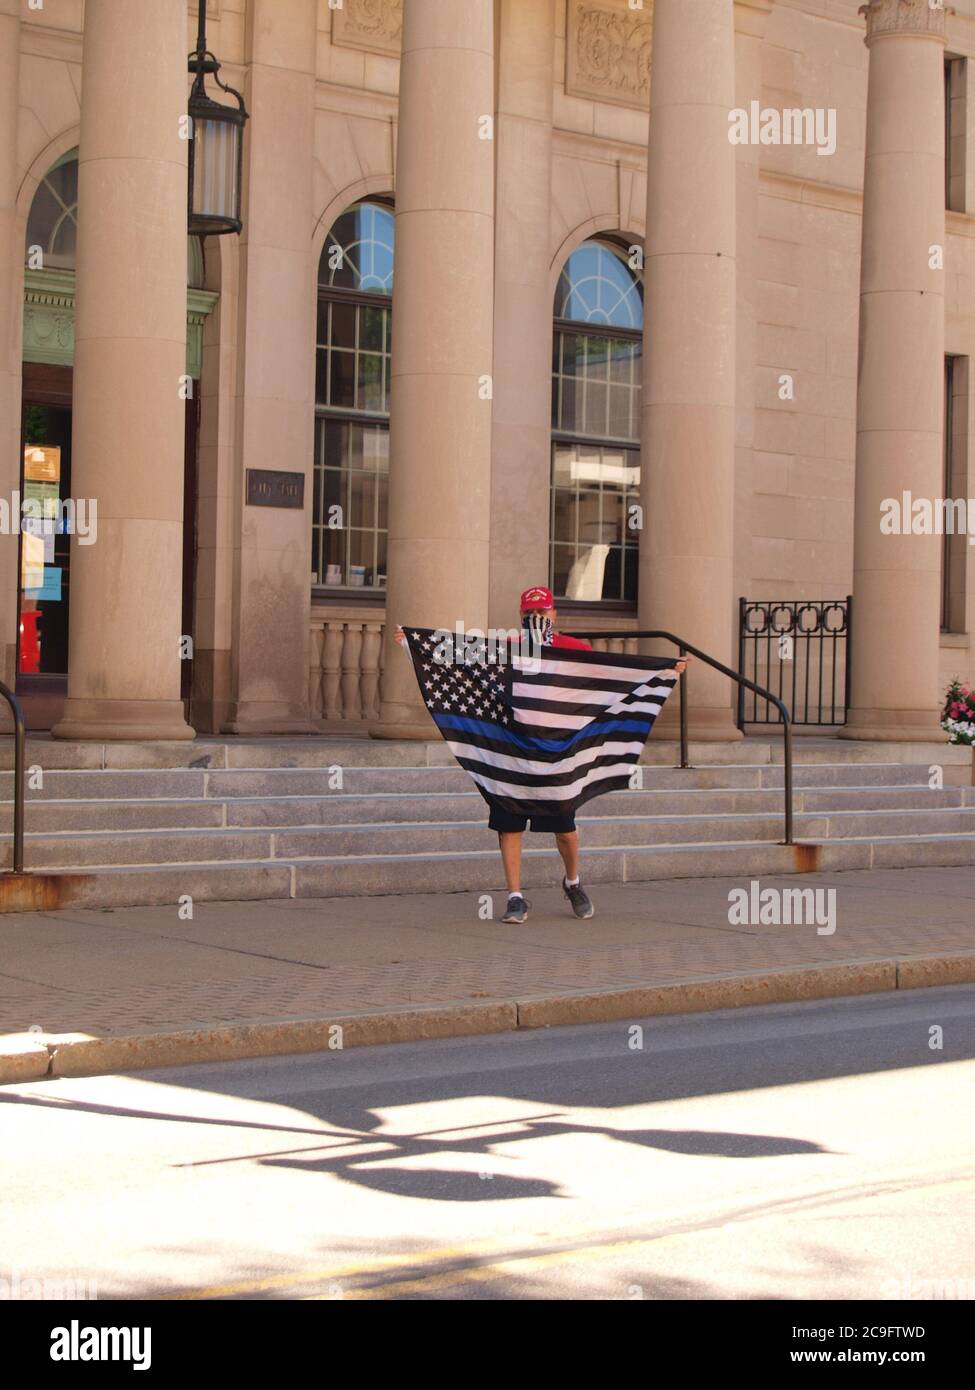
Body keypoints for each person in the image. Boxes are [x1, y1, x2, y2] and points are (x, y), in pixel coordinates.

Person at [396, 585, 690, 925]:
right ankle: (515, 896)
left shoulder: (575, 650)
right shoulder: (506, 648)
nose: (537, 619)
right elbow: (457, 658)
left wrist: (665, 671)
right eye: (529, 614)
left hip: (558, 756)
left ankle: (573, 881)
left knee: (565, 829)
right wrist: (412, 642)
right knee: (509, 826)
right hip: (512, 754)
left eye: (543, 613)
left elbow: (614, 678)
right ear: (521, 617)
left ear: (554, 614)